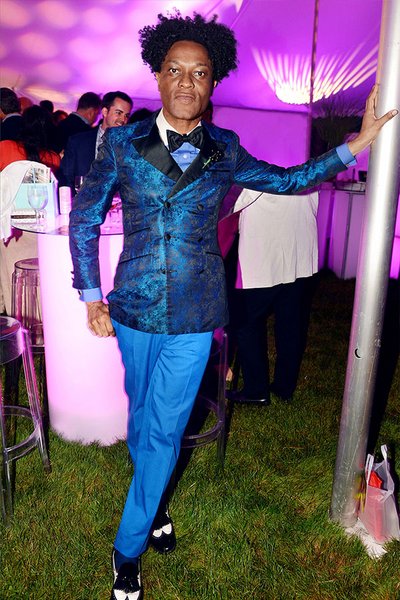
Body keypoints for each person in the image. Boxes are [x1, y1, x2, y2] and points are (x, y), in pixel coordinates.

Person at [68, 12, 397, 600]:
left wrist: (355, 144)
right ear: (158, 76)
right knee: (141, 419)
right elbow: (85, 217)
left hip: (196, 314)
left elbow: (288, 179)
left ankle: (127, 550)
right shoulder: (121, 143)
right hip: (135, 308)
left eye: (199, 72)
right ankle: (156, 503)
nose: (186, 81)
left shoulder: (225, 149)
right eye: (175, 70)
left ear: (213, 82)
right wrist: (91, 294)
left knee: (164, 432)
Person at [228, 189, 320, 405]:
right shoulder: (305, 166)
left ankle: (256, 389)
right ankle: (284, 387)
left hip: (264, 251)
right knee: (291, 324)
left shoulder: (260, 167)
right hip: (299, 248)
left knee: (246, 322)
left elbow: (237, 201)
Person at [57, 91, 132, 192]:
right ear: (105, 112)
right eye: (118, 113)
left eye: (126, 115)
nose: (123, 120)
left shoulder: (129, 147)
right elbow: (65, 180)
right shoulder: (78, 142)